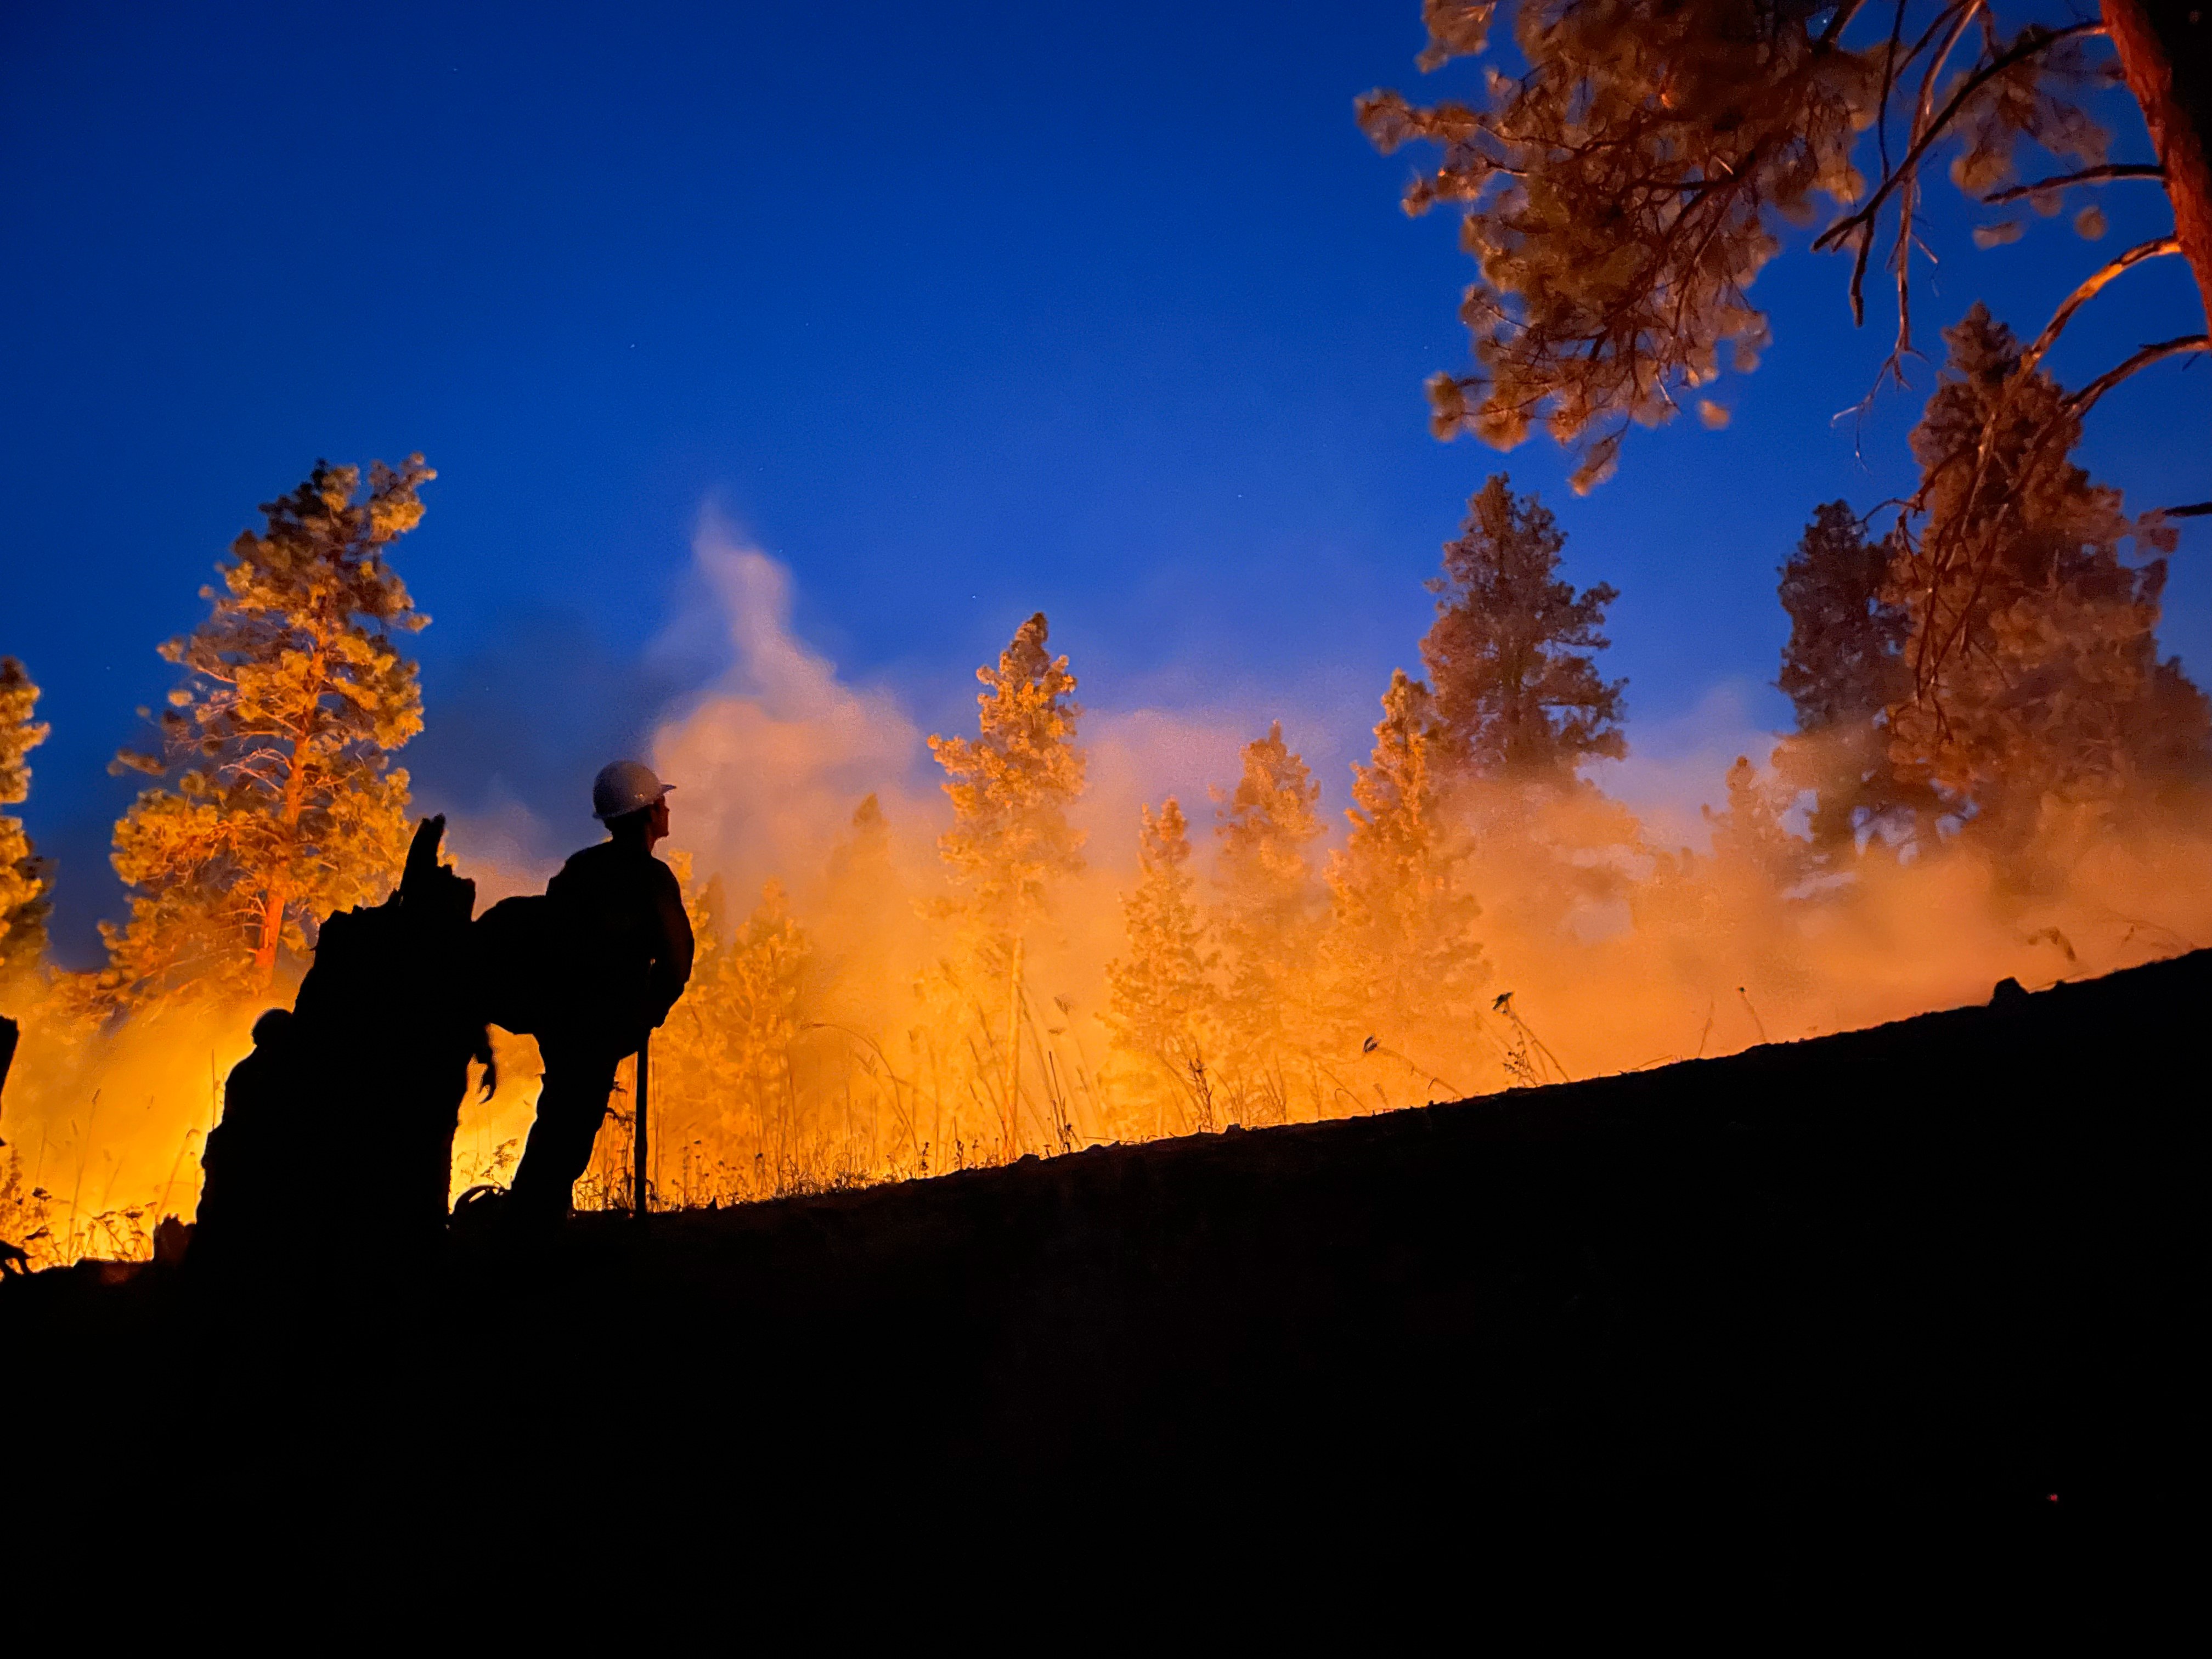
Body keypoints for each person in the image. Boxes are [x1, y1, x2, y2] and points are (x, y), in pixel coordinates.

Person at [507, 760, 695, 1224]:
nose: (667, 809)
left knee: (561, 1114)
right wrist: (647, 1013)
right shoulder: (651, 879)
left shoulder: (581, 869)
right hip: (600, 1023)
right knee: (570, 1126)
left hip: (561, 1019)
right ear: (649, 814)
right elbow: (676, 961)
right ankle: (525, 1234)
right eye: (662, 803)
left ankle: (532, 1220)